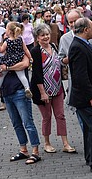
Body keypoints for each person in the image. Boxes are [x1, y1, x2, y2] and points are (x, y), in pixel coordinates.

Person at [30, 23, 76, 154]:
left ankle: (65, 143)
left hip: (57, 88)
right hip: (43, 90)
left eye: (47, 34)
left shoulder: (54, 47)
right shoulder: (35, 51)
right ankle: (47, 143)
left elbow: (59, 65)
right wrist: (42, 93)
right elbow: (37, 74)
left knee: (60, 115)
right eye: (42, 35)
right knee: (47, 117)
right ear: (37, 38)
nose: (45, 37)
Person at [0, 56, 41, 165]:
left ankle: (35, 151)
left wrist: (7, 68)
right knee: (16, 123)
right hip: (7, 93)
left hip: (20, 91)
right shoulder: (3, 56)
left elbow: (24, 65)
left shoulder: (21, 53)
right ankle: (24, 150)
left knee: (28, 122)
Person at [68, 17, 92, 173]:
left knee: (89, 130)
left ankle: (89, 158)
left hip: (84, 97)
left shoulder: (82, 44)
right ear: (86, 29)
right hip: (84, 98)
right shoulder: (77, 47)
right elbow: (80, 77)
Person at [58, 9, 83, 129]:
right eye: (70, 22)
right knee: (83, 118)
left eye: (75, 21)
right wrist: (66, 60)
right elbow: (60, 59)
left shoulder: (89, 34)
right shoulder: (65, 39)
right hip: (76, 82)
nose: (73, 24)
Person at [0, 22, 32, 99]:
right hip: (18, 59)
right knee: (21, 75)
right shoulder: (20, 39)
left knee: (2, 74)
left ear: (9, 31)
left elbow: (1, 50)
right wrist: (30, 57)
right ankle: (27, 88)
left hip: (8, 60)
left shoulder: (7, 41)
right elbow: (26, 50)